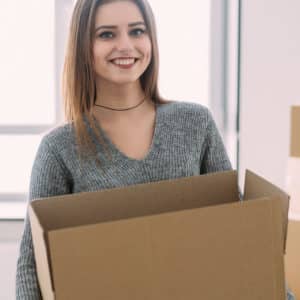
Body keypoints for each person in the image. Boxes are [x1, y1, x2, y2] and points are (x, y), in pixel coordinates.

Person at [16, 0, 292, 299]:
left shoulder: (194, 123)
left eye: (137, 31)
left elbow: (239, 232)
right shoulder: (60, 148)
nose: (126, 45)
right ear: (83, 45)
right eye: (107, 34)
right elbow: (32, 266)